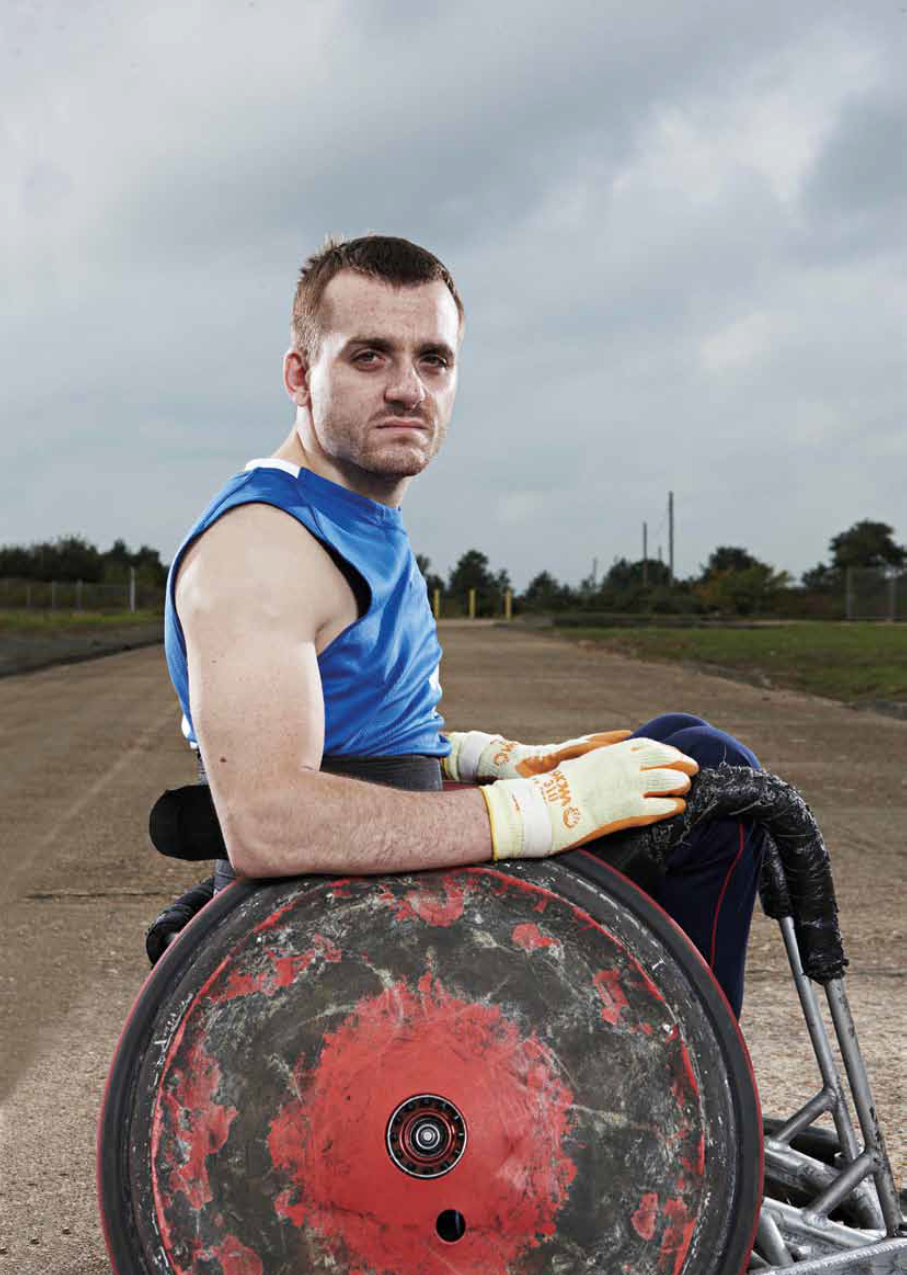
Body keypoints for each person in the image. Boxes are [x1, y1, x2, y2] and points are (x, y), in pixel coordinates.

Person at [157, 234, 763, 1017]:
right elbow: (270, 823)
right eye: (369, 357)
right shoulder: (261, 548)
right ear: (300, 375)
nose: (407, 388)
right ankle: (695, 1110)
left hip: (383, 891)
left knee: (675, 746)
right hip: (339, 937)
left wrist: (490, 759)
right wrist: (545, 809)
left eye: (432, 361)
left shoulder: (354, 517)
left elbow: (359, 737)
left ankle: (691, 1087)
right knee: (717, 790)